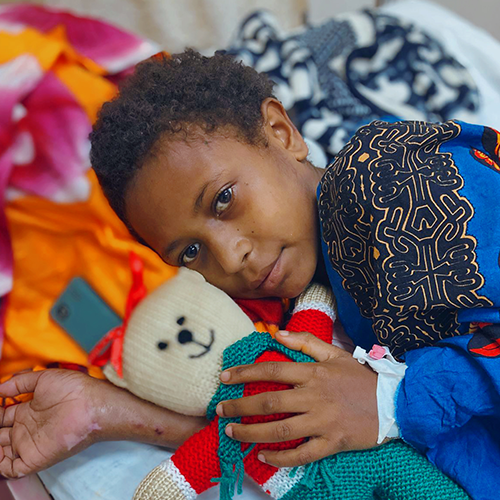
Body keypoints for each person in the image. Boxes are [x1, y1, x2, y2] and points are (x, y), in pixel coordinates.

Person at [0, 50, 499, 499]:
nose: (230, 256)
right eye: (191, 251)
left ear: (281, 134)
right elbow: (274, 421)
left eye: (223, 199)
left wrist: (391, 398)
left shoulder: (381, 182)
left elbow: (395, 395)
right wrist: (103, 413)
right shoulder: (296, 302)